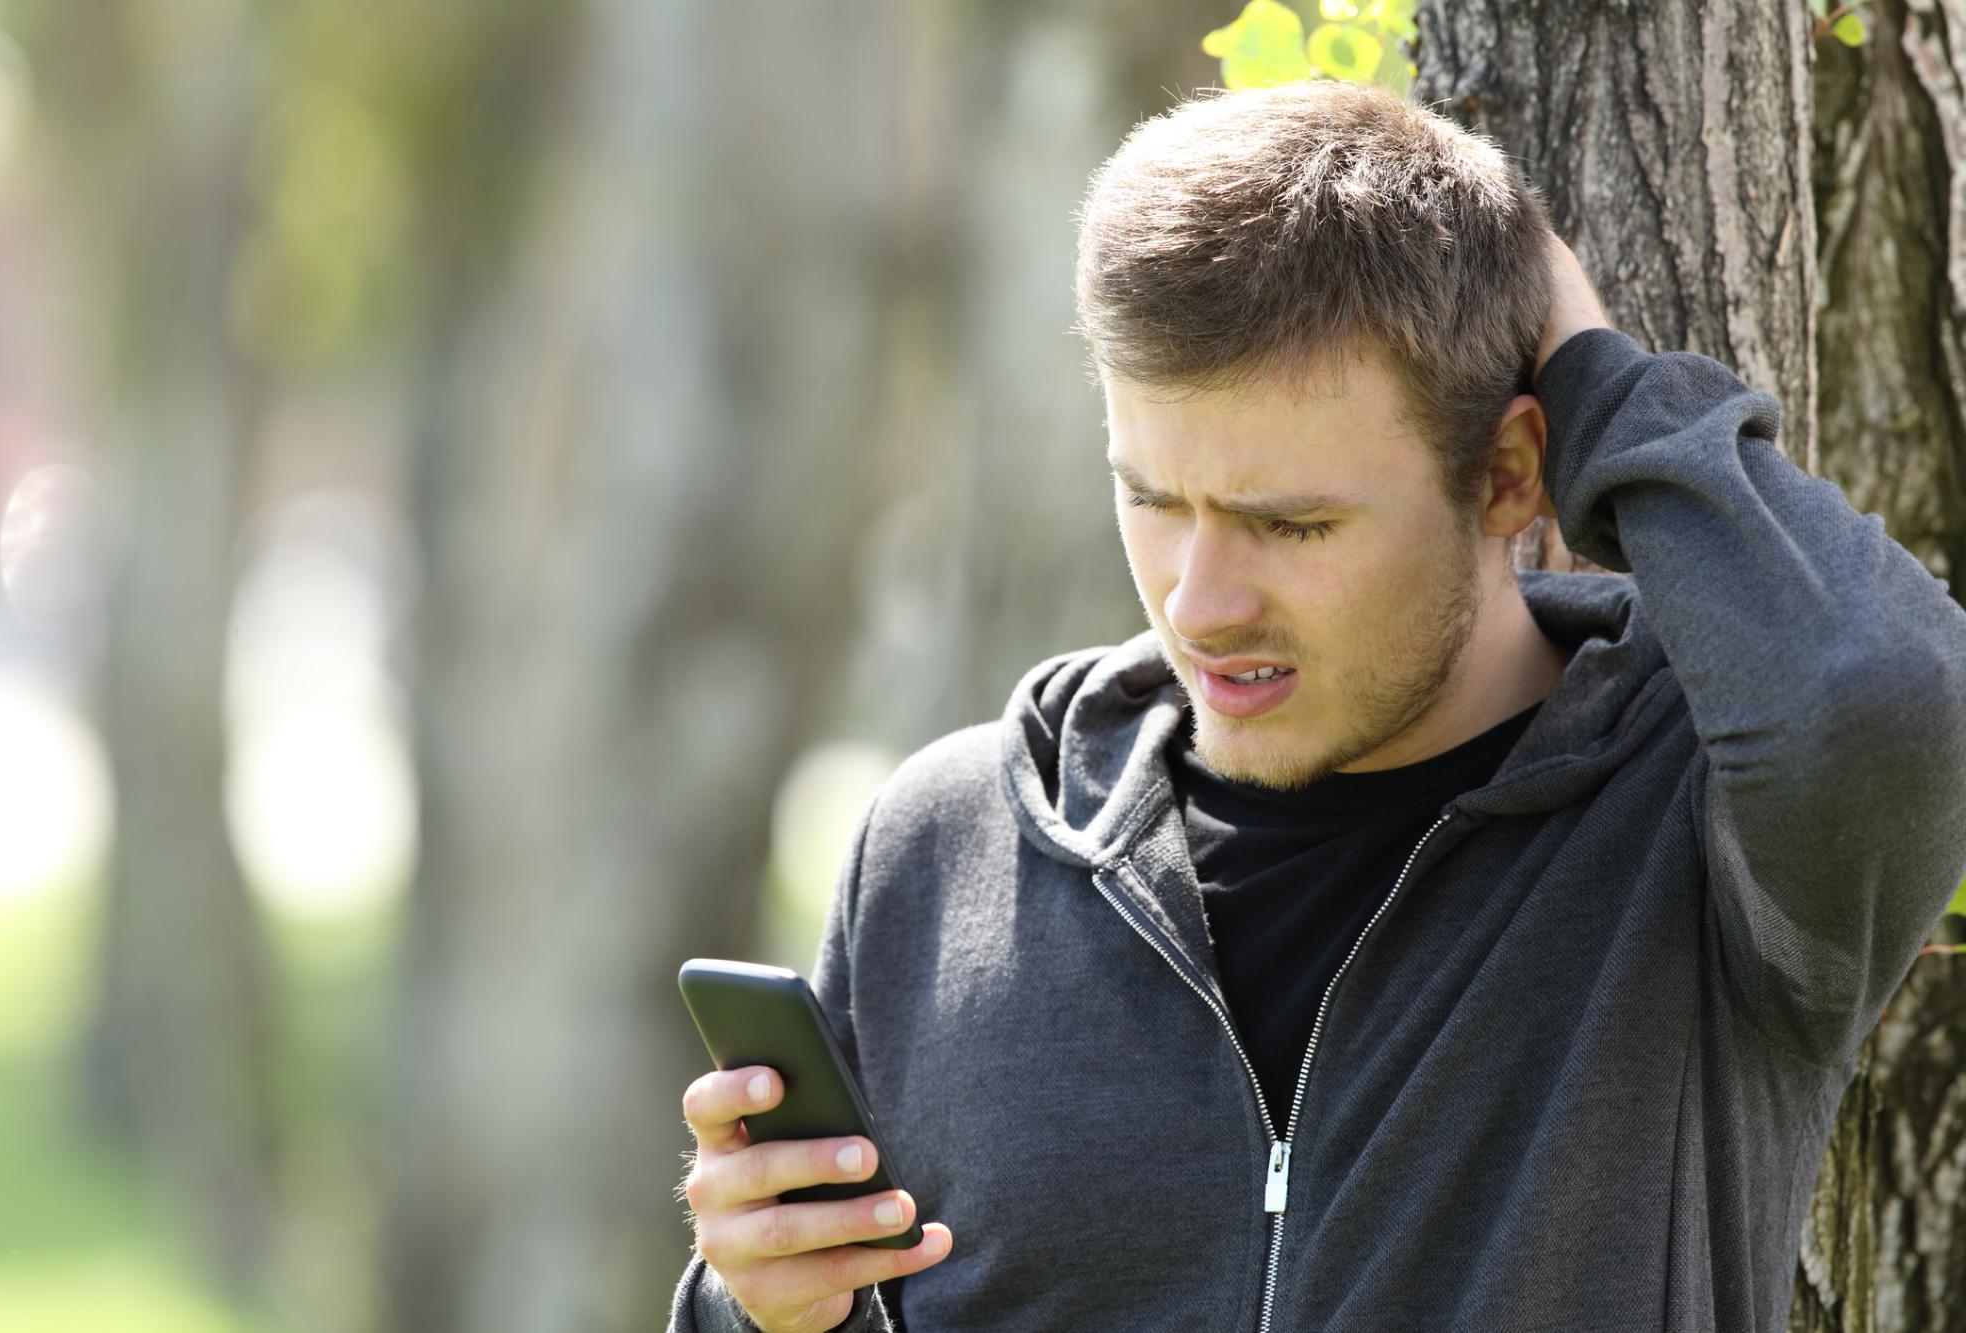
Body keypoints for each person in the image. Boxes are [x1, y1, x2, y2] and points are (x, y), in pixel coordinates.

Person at [669, 79, 1966, 1332]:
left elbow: (1886, 706)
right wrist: (765, 1309)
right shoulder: (942, 851)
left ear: (1512, 472)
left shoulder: (1695, 828)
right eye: (1154, 497)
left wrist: (1605, 385)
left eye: (1290, 522)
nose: (1200, 599)